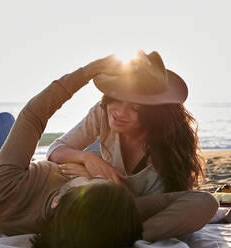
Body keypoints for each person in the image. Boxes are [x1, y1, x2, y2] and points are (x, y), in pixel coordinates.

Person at [0, 53, 218, 248]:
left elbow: (33, 116)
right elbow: (204, 202)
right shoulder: (112, 216)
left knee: (3, 121)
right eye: (109, 186)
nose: (111, 181)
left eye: (101, 184)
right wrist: (129, 236)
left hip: (19, 176)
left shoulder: (5, 196)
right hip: (64, 173)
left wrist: (87, 72)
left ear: (59, 203)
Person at [47, 50, 204, 196]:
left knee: (203, 202)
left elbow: (157, 204)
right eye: (116, 99)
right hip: (109, 202)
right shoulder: (102, 112)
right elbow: (55, 151)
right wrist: (88, 159)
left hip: (145, 208)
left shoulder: (167, 151)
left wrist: (100, 179)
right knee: (53, 171)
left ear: (154, 114)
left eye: (135, 108)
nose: (120, 113)